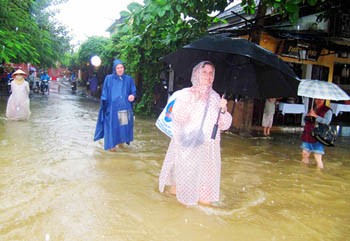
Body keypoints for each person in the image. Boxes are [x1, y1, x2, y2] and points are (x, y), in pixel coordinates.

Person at [158, 61, 232, 206]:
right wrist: (194, 99)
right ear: (197, 74)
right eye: (204, 72)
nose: (208, 76)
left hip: (208, 150)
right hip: (188, 148)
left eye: (211, 73)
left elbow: (225, 125)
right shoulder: (186, 94)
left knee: (205, 199)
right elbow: (177, 118)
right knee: (177, 191)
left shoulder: (217, 98)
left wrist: (223, 110)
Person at [94, 59, 137, 151]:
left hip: (124, 109)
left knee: (123, 129)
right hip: (112, 110)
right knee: (112, 129)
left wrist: (132, 96)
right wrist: (104, 107)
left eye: (121, 67)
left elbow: (133, 91)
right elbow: (104, 93)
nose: (120, 69)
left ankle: (121, 145)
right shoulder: (109, 79)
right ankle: (112, 148)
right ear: (114, 69)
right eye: (118, 68)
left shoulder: (128, 79)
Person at [301, 98, 332, 169]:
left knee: (317, 158)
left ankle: (319, 173)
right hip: (307, 135)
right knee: (304, 155)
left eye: (321, 99)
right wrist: (308, 116)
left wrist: (315, 116)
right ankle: (303, 172)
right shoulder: (312, 109)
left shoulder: (328, 111)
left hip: (318, 137)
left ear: (324, 100)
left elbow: (326, 122)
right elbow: (305, 120)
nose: (319, 101)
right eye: (317, 99)